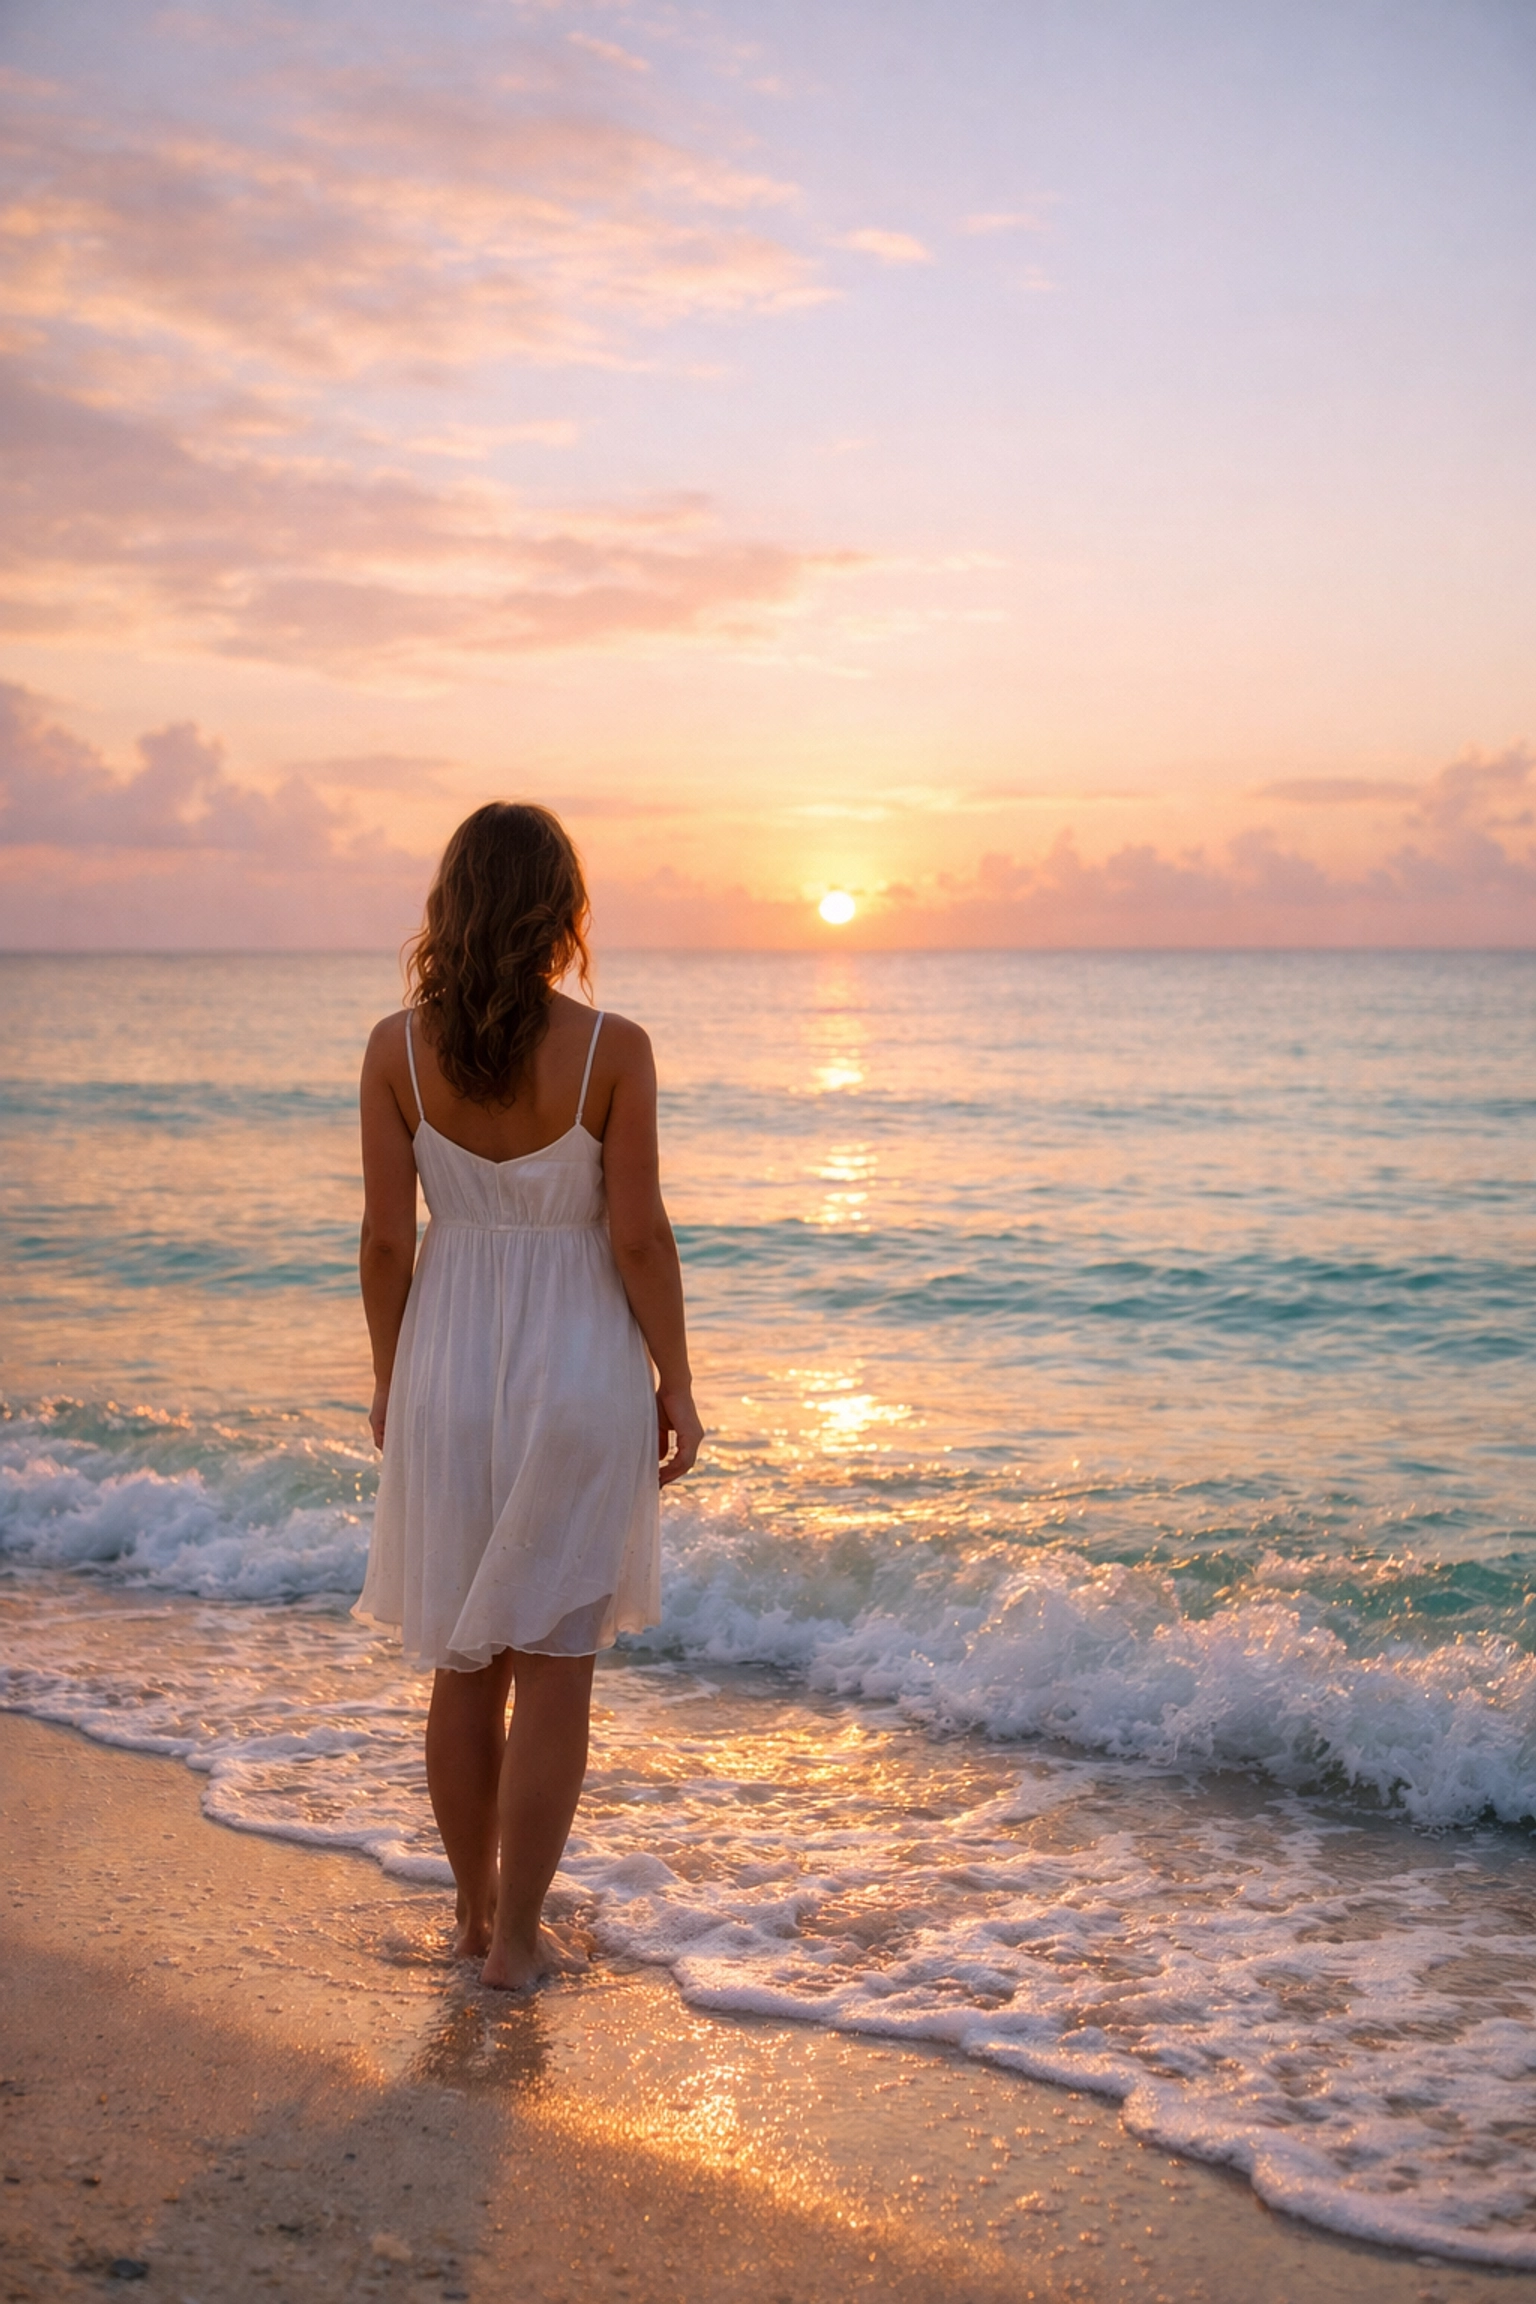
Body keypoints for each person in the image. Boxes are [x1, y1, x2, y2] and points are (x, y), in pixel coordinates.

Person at [354, 802, 702, 1991]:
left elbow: (386, 1245)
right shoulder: (615, 1051)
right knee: (555, 1666)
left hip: (449, 1366)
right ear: (562, 911)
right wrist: (680, 1383)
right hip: (579, 1374)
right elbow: (641, 1238)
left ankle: (468, 1911)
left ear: (452, 907)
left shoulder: (396, 1053)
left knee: (464, 1661)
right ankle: (514, 1944)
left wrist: (393, 1378)